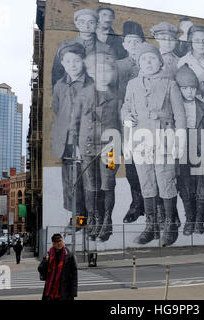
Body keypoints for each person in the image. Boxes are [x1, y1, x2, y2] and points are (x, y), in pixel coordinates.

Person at [121, 42, 186, 246]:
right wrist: (126, 119)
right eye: (143, 59)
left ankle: (170, 225)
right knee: (146, 184)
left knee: (165, 181)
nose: (148, 62)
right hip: (140, 140)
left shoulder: (170, 84)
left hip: (163, 139)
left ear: (159, 62)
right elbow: (126, 107)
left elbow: (180, 117)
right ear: (139, 63)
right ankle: (151, 226)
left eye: (151, 58)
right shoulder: (132, 85)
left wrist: (179, 142)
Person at [51, 42, 93, 221]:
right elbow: (57, 108)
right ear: (62, 63)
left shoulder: (91, 84)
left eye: (76, 60)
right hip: (65, 140)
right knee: (69, 180)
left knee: (85, 179)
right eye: (68, 61)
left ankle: (85, 217)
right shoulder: (59, 86)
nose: (73, 65)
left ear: (83, 61)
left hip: (83, 138)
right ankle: (76, 216)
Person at [81, 51, 121, 242]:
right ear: (92, 73)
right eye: (99, 71)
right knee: (91, 186)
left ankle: (107, 220)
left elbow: (123, 124)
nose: (103, 75)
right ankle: (94, 219)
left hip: (110, 148)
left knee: (108, 184)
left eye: (107, 71)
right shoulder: (84, 94)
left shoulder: (117, 97)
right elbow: (75, 123)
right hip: (88, 147)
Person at [116, 21, 146, 224]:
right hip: (127, 124)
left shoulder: (152, 62)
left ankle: (154, 205)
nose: (133, 44)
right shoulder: (119, 66)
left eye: (137, 41)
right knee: (132, 167)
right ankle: (137, 203)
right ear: (124, 44)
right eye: (129, 41)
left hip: (149, 125)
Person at [175, 64, 204, 235]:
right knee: (185, 186)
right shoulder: (175, 106)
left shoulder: (203, 107)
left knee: (201, 187)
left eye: (192, 88)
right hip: (181, 150)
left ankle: (199, 221)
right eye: (185, 88)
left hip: (199, 148)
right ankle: (189, 219)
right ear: (179, 89)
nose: (189, 91)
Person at [52, 8, 115, 86]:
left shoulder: (106, 49)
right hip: (70, 92)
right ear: (77, 24)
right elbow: (57, 73)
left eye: (91, 22)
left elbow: (111, 76)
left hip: (96, 93)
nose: (86, 26)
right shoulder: (65, 46)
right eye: (82, 22)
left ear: (97, 24)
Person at [177, 26, 204, 98]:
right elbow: (181, 87)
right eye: (197, 41)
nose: (201, 44)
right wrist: (201, 78)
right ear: (190, 41)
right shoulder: (183, 61)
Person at [38, 234, 78, 301]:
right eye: (56, 242)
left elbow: (74, 275)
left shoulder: (69, 256)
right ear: (53, 244)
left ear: (63, 241)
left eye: (60, 241)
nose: (59, 243)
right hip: (50, 290)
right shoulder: (49, 255)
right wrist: (46, 261)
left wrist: (74, 292)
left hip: (65, 290)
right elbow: (40, 269)